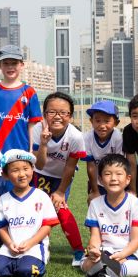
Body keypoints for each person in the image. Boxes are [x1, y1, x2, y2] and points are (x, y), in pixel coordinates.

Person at [82, 154, 138, 277]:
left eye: (119, 174)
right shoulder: (95, 204)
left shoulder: (136, 204)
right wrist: (94, 250)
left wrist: (123, 254)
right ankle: (112, 267)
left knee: (119, 267)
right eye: (107, 174)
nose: (113, 178)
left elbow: (136, 240)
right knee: (86, 266)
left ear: (128, 179)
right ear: (100, 179)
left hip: (130, 249)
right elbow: (95, 237)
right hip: (106, 249)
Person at [32, 92, 86, 266]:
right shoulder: (38, 129)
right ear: (44, 114)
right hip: (40, 173)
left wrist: (61, 192)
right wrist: (44, 143)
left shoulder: (76, 136)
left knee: (61, 210)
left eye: (63, 112)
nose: (57, 116)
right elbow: (39, 165)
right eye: (52, 112)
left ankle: (79, 251)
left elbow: (70, 167)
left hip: (61, 177)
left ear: (70, 116)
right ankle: (40, 246)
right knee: (37, 211)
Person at [0, 149, 58, 277]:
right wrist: (9, 244)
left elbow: (47, 226)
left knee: (26, 271)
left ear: (32, 169)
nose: (22, 174)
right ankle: (17, 264)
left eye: (26, 169)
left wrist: (30, 243)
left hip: (34, 247)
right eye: (15, 170)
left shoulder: (41, 196)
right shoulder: (3, 199)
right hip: (11, 247)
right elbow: (2, 228)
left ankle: (27, 264)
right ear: (5, 175)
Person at [0, 45, 42, 154]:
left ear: (21, 65)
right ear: (0, 65)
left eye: (14, 63)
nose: (10, 67)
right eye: (6, 63)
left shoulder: (29, 92)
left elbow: (33, 125)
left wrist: (31, 150)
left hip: (21, 152)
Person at [82, 100, 123, 203]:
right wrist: (95, 191)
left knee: (116, 206)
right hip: (97, 183)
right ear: (91, 121)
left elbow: (120, 165)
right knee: (94, 203)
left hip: (115, 180)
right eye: (98, 120)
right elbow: (91, 166)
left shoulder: (118, 138)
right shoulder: (87, 137)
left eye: (107, 121)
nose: (102, 125)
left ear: (116, 123)